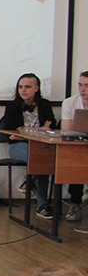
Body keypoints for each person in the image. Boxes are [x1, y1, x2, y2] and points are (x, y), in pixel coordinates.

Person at [1, 73, 57, 219]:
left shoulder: (44, 105)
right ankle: (42, 203)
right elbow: (11, 134)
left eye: (27, 87)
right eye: (20, 87)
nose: (23, 90)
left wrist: (25, 131)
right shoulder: (12, 107)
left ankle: (30, 184)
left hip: (41, 146)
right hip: (18, 146)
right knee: (39, 159)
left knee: (43, 159)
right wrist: (39, 130)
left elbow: (51, 128)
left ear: (36, 88)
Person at [61, 71, 88, 224]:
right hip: (76, 145)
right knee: (76, 161)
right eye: (80, 85)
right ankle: (75, 203)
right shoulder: (70, 103)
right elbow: (65, 130)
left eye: (87, 86)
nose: (82, 89)